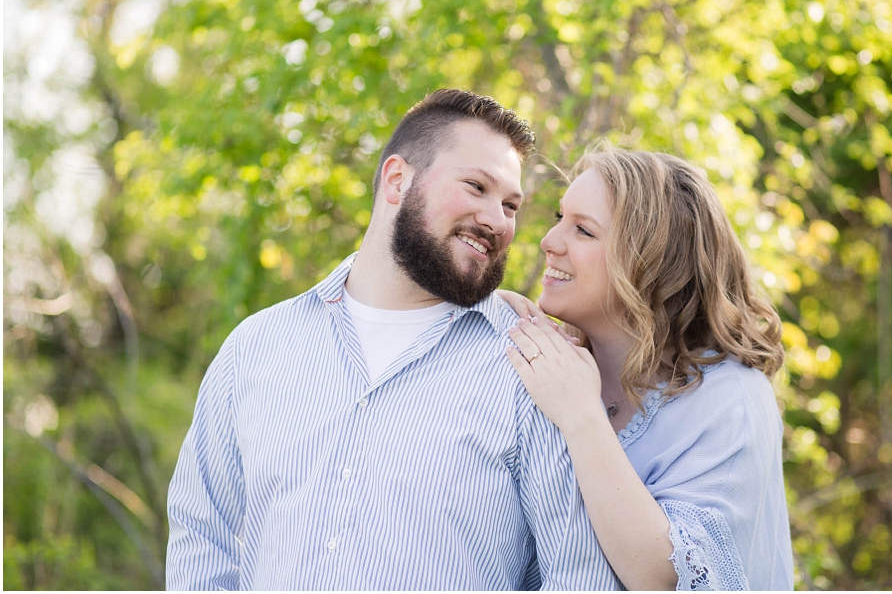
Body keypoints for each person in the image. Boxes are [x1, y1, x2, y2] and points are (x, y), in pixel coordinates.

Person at [165, 90, 620, 590]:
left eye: (511, 205)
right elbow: (204, 539)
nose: (498, 221)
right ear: (398, 180)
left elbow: (578, 576)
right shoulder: (257, 348)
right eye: (476, 186)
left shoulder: (534, 367)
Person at [501, 147, 794, 590]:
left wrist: (580, 415)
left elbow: (666, 578)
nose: (549, 240)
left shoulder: (731, 401)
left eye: (582, 230)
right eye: (559, 218)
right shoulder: (557, 367)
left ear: (652, 263)